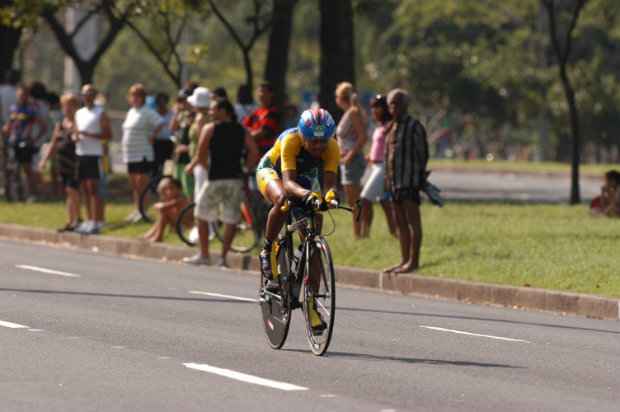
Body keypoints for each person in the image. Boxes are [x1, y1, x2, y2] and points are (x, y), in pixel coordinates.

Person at [255, 108, 340, 334]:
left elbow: (330, 183)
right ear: (303, 135)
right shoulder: (291, 140)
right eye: (313, 141)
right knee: (283, 200)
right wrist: (309, 195)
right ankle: (267, 249)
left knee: (316, 223)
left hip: (302, 178)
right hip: (273, 173)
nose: (319, 147)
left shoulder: (333, 146)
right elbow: (289, 184)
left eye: (324, 141)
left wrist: (330, 196)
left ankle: (310, 303)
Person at [183, 99, 259, 267]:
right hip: (235, 179)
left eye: (213, 109)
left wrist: (207, 167)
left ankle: (204, 255)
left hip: (215, 179)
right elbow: (254, 152)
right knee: (231, 218)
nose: (210, 112)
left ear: (224, 110)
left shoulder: (210, 129)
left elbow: (200, 153)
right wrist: (245, 169)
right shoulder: (242, 130)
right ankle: (223, 258)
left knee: (200, 213)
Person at [383, 89, 429, 274]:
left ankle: (414, 261)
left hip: (409, 182)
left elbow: (423, 153)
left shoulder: (414, 126)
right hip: (394, 183)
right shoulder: (392, 127)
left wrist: (418, 177)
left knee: (413, 223)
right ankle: (403, 260)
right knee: (400, 223)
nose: (394, 107)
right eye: (391, 104)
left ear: (405, 105)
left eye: (398, 103)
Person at [121, 83, 165, 222]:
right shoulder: (131, 112)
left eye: (138, 96)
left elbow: (160, 122)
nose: (135, 98)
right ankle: (137, 209)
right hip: (130, 153)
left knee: (142, 184)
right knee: (134, 184)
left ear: (143, 98)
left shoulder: (147, 111)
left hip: (143, 153)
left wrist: (153, 136)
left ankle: (143, 211)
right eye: (133, 95)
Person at [38, 92, 81, 232]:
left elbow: (80, 138)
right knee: (68, 192)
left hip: (75, 162)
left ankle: (77, 219)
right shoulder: (61, 124)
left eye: (70, 106)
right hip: (63, 162)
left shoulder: (78, 122)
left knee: (72, 190)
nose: (67, 109)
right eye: (65, 106)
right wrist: (44, 160)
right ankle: (71, 220)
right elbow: (53, 143)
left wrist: (74, 130)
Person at [74, 84, 112, 234]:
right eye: (84, 94)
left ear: (94, 95)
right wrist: (76, 136)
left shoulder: (100, 113)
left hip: (94, 154)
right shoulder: (79, 113)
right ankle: (88, 220)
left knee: (94, 189)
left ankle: (97, 221)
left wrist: (89, 135)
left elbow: (108, 134)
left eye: (90, 93)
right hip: (81, 153)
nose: (87, 96)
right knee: (84, 188)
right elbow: (77, 131)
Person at [1, 84, 48, 201]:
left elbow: (43, 126)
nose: (21, 97)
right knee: (13, 169)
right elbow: (8, 127)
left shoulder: (32, 109)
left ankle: (33, 194)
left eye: (24, 95)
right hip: (14, 142)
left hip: (27, 143)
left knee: (28, 170)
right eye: (20, 95)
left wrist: (35, 139)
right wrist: (7, 129)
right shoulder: (14, 108)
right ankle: (17, 195)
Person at [359, 94, 397, 238]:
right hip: (374, 166)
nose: (374, 110)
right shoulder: (380, 126)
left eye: (377, 107)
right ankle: (395, 233)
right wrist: (369, 156)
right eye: (373, 107)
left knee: (365, 199)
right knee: (384, 202)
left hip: (383, 167)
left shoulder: (391, 125)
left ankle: (365, 234)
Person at [335, 82, 368, 238]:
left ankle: (359, 234)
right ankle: (359, 232)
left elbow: (362, 137)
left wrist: (349, 156)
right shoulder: (349, 112)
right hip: (346, 161)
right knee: (353, 200)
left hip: (352, 161)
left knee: (354, 201)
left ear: (341, 98)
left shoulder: (353, 112)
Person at [143, 176, 192, 242]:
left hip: (188, 227)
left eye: (172, 188)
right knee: (164, 213)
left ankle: (158, 236)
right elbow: (159, 206)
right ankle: (150, 235)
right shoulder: (172, 200)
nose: (169, 191)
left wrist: (160, 205)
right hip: (179, 225)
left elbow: (161, 207)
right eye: (166, 189)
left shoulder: (181, 199)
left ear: (179, 189)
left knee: (165, 211)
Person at [186, 86, 211, 199]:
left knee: (200, 196)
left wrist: (193, 163)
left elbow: (203, 144)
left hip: (202, 162)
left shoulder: (201, 119)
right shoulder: (208, 116)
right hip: (203, 161)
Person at [170, 87, 196, 198]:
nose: (182, 103)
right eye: (179, 101)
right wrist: (177, 113)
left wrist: (187, 148)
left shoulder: (197, 118)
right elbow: (172, 128)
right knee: (177, 188)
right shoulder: (182, 115)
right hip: (179, 158)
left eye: (184, 100)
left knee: (189, 190)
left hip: (189, 159)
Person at [243, 82, 280, 155]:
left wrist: (246, 138)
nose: (261, 94)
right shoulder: (256, 112)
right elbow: (244, 127)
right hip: (252, 152)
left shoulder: (272, 112)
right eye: (259, 92)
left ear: (271, 94)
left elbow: (263, 133)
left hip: (266, 153)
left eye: (263, 92)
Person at [152, 92, 174, 176]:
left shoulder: (172, 114)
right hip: (156, 143)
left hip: (168, 143)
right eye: (159, 101)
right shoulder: (153, 114)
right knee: (156, 166)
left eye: (163, 101)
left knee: (168, 167)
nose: (161, 104)